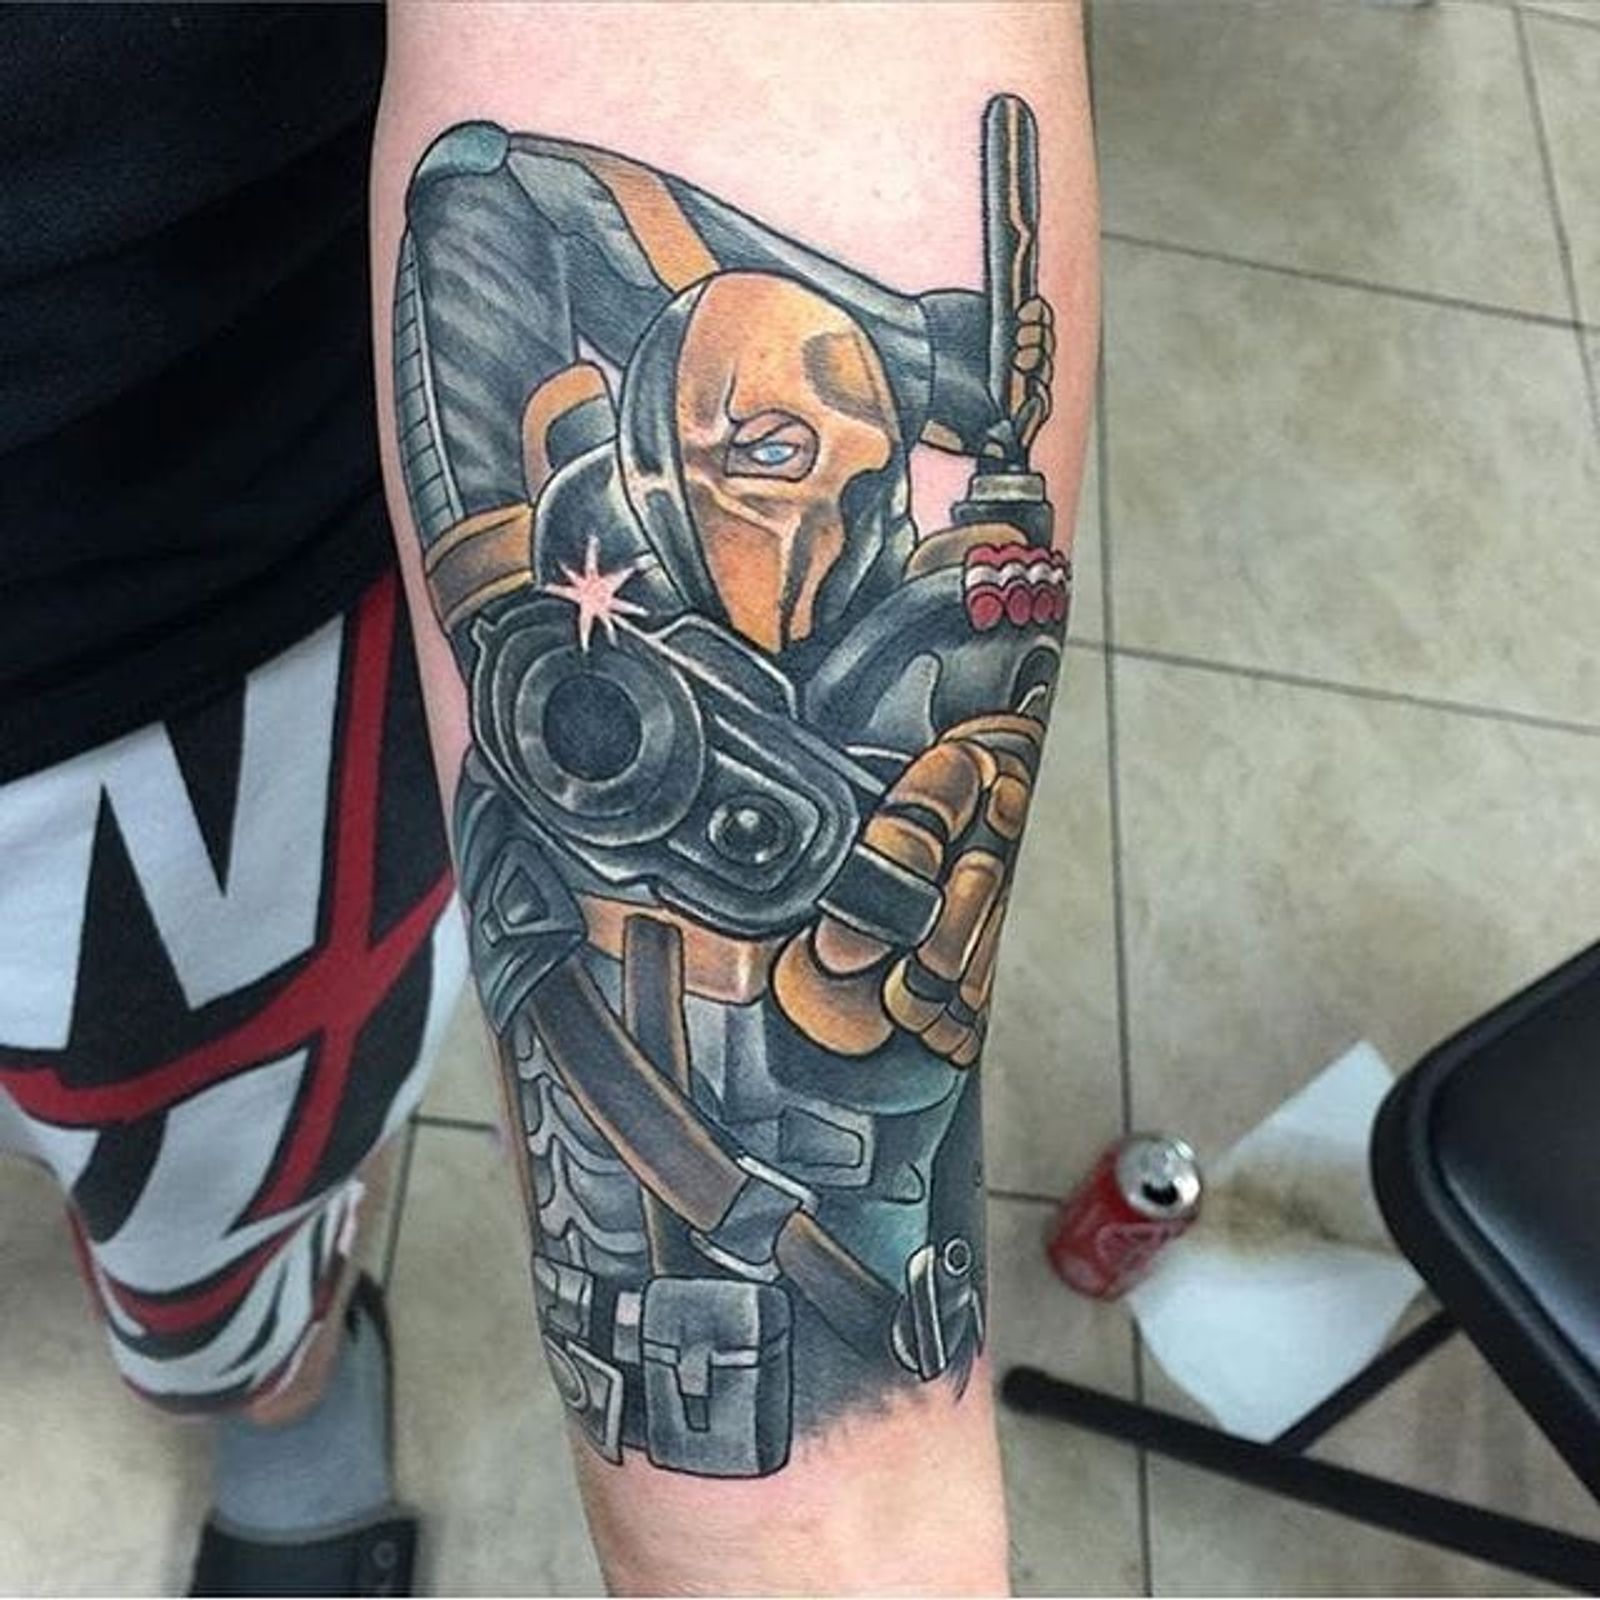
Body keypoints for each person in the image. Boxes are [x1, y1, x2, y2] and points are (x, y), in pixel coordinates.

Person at [1, 3, 1097, 1592]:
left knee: (216, 1224)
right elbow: (505, 186)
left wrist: (818, 1534)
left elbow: (739, 68)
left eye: (859, 496)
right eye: (772, 460)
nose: (816, 539)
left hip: (147, 666)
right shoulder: (597, 585)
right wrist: (908, 348)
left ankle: (278, 1393)